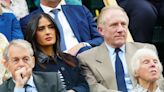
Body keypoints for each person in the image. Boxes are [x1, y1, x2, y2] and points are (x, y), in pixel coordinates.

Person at [77, 6, 164, 92]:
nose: (120, 29)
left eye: (123, 24)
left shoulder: (146, 50)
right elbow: (93, 87)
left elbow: (158, 82)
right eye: (114, 25)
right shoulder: (86, 58)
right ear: (100, 30)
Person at [25, 13, 89, 92]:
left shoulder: (71, 59)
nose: (48, 32)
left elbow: (84, 85)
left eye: (51, 27)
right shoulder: (31, 66)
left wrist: (74, 91)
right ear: (33, 33)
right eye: (41, 29)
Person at [20, 0, 103, 56]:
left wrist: (82, 45)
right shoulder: (27, 21)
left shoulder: (81, 11)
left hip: (86, 57)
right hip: (54, 68)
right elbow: (31, 51)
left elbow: (100, 38)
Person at [0, 39, 65, 92]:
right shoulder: (2, 90)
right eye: (16, 60)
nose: (21, 64)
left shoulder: (53, 80)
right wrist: (19, 87)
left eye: (25, 59)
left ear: (33, 62)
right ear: (7, 65)